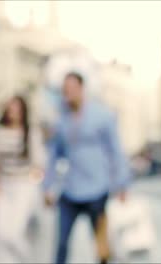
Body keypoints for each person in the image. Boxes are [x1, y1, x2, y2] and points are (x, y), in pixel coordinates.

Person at [42, 72, 131, 264]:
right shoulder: (61, 121)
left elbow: (116, 151)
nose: (69, 93)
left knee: (101, 246)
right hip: (69, 190)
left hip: (96, 190)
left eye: (73, 89)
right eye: (65, 90)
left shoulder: (102, 115)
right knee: (62, 244)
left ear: (82, 89)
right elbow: (53, 157)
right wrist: (47, 187)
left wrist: (121, 184)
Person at [0, 96, 45, 263]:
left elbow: (39, 162)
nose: (13, 112)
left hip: (23, 186)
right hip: (3, 186)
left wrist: (34, 183)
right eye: (10, 108)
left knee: (13, 235)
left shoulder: (31, 132)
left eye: (17, 108)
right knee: (0, 235)